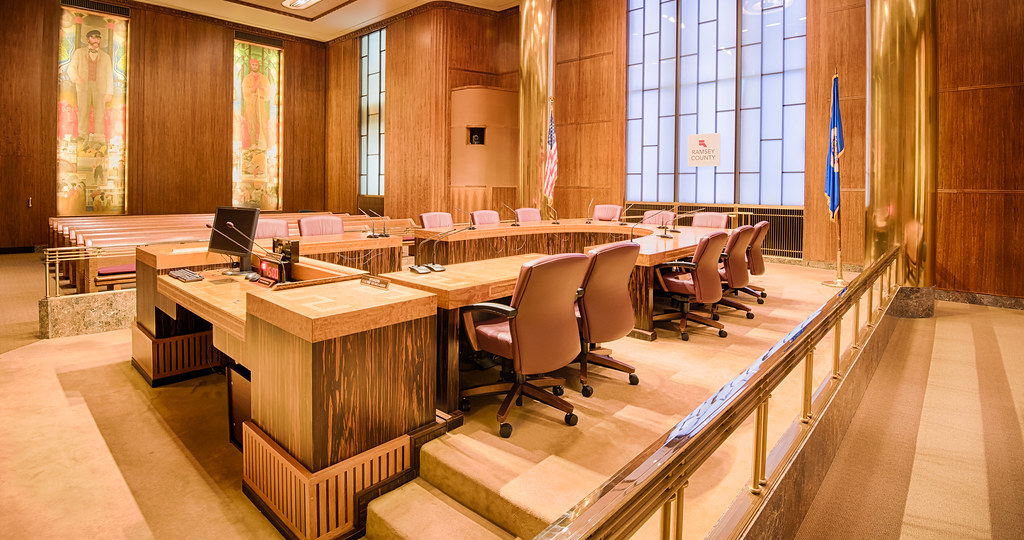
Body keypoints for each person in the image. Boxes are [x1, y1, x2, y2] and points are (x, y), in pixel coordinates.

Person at [68, 29, 114, 143]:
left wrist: (109, 92)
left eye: (98, 38)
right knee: (83, 111)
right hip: (83, 88)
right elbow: (71, 68)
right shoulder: (79, 53)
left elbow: (109, 75)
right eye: (93, 37)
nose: (96, 40)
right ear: (88, 39)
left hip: (100, 88)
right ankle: (82, 136)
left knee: (100, 113)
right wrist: (77, 78)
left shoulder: (105, 56)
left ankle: (99, 137)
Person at [242, 58, 270, 150]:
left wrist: (260, 87)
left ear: (258, 66)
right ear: (251, 66)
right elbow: (245, 92)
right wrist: (254, 87)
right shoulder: (246, 79)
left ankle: (264, 143)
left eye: (256, 65)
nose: (255, 66)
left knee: (262, 122)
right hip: (250, 103)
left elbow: (268, 91)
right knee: (251, 123)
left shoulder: (263, 78)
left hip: (260, 103)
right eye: (253, 65)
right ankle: (253, 144)